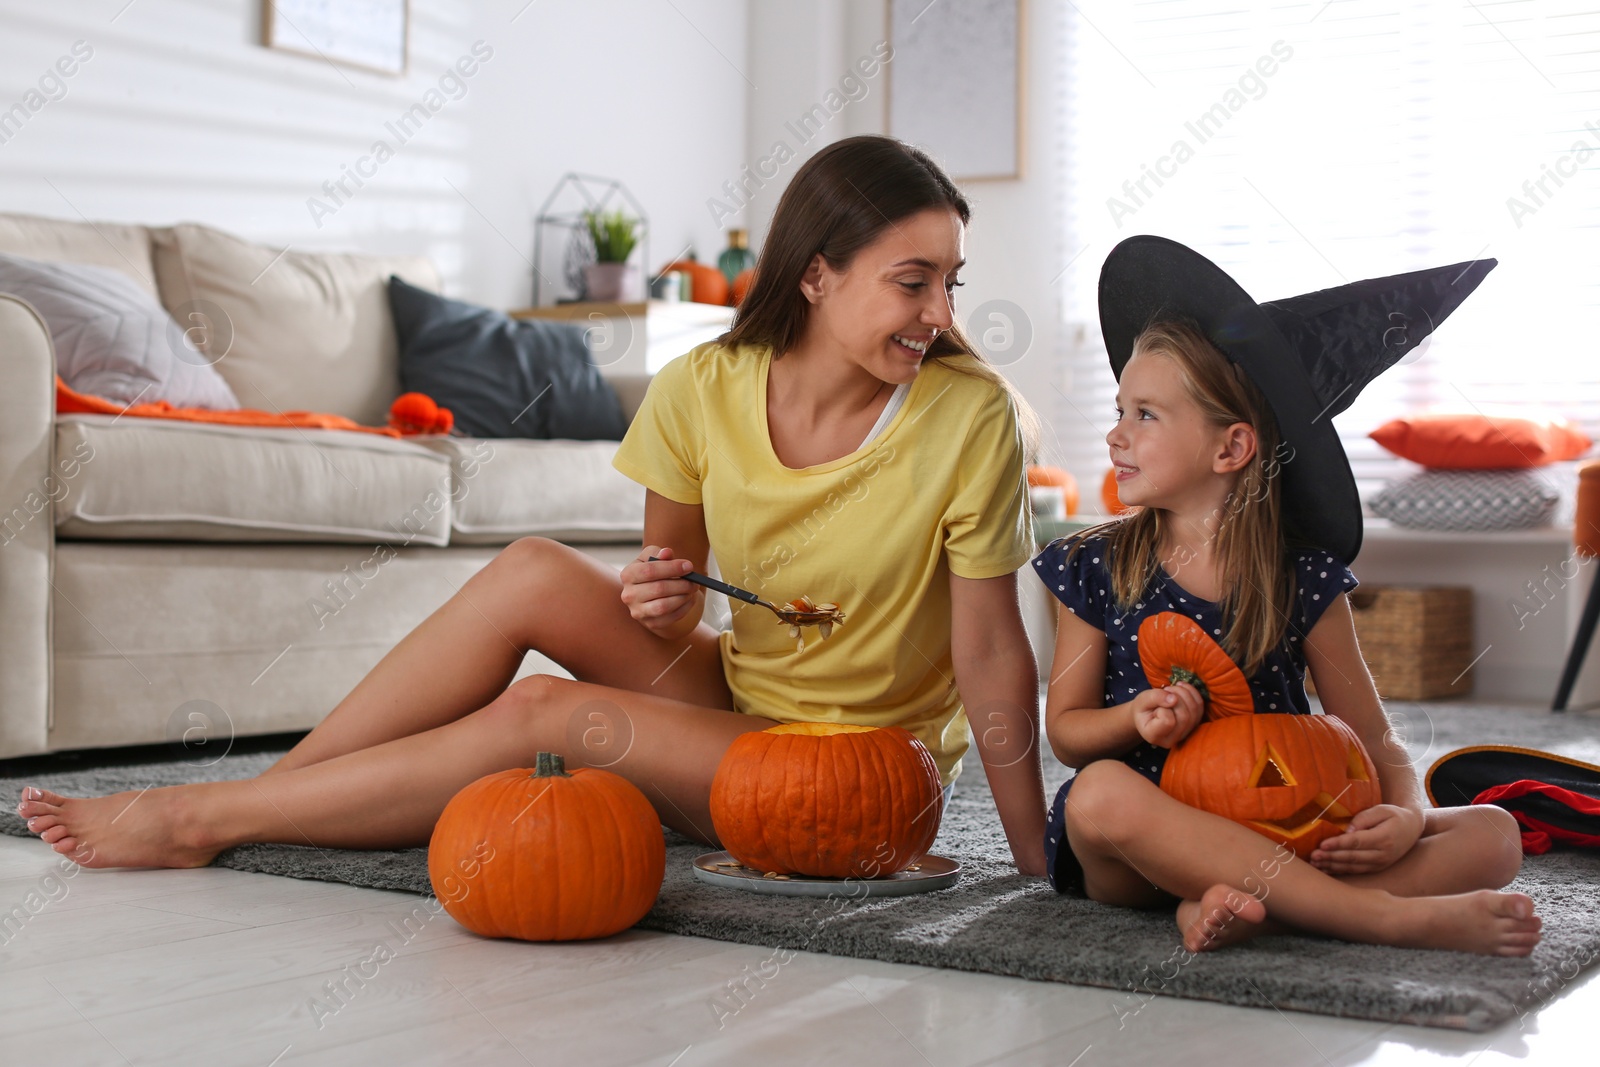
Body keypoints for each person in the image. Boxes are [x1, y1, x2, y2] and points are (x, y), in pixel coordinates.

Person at [17, 135, 1049, 878]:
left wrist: (1028, 854)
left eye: (950, 283)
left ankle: (203, 816)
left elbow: (992, 654)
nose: (940, 315)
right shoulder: (706, 384)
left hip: (860, 768)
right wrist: (664, 602)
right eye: (913, 282)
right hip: (736, 703)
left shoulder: (968, 417)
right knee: (531, 567)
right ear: (816, 275)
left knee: (543, 713)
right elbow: (676, 599)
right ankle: (275, 799)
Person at [1034, 235, 1542, 955]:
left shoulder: (1301, 578)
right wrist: (1133, 720)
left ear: (1231, 449)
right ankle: (1380, 917)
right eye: (1120, 410)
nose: (1115, 434)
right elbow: (1067, 730)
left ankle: (1252, 906)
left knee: (1495, 831)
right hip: (1144, 846)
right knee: (1097, 794)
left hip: (1285, 831)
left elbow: (1371, 734)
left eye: (1144, 414)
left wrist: (1402, 810)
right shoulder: (1095, 563)